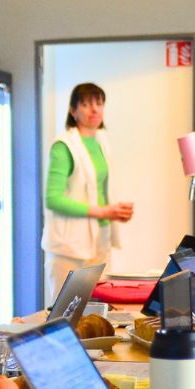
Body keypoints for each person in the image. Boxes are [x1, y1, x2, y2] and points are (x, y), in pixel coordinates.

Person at [42, 82, 132, 300]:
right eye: (86, 104)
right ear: (73, 111)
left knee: (97, 308)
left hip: (100, 238)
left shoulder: (100, 141)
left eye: (99, 103)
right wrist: (102, 212)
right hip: (69, 246)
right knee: (65, 310)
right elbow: (53, 199)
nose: (94, 110)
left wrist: (114, 211)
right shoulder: (64, 146)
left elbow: (99, 190)